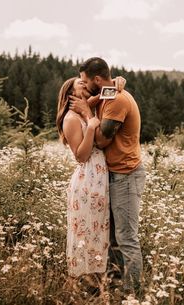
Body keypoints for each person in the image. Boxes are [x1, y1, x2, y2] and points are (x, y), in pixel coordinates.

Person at [69, 57, 146, 297]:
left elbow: (102, 140)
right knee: (112, 238)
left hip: (126, 175)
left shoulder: (117, 100)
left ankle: (132, 294)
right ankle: (113, 288)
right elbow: (99, 99)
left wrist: (85, 111)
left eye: (85, 80)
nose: (83, 84)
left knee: (126, 238)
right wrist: (88, 104)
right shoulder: (108, 94)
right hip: (113, 175)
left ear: (98, 79)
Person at [56, 77, 110, 278]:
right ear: (71, 94)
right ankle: (81, 282)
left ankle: (96, 281)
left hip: (98, 177)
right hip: (87, 178)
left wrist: (120, 81)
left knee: (97, 229)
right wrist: (90, 126)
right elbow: (81, 155)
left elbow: (108, 90)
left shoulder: (89, 108)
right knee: (85, 231)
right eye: (80, 84)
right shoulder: (70, 118)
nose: (86, 85)